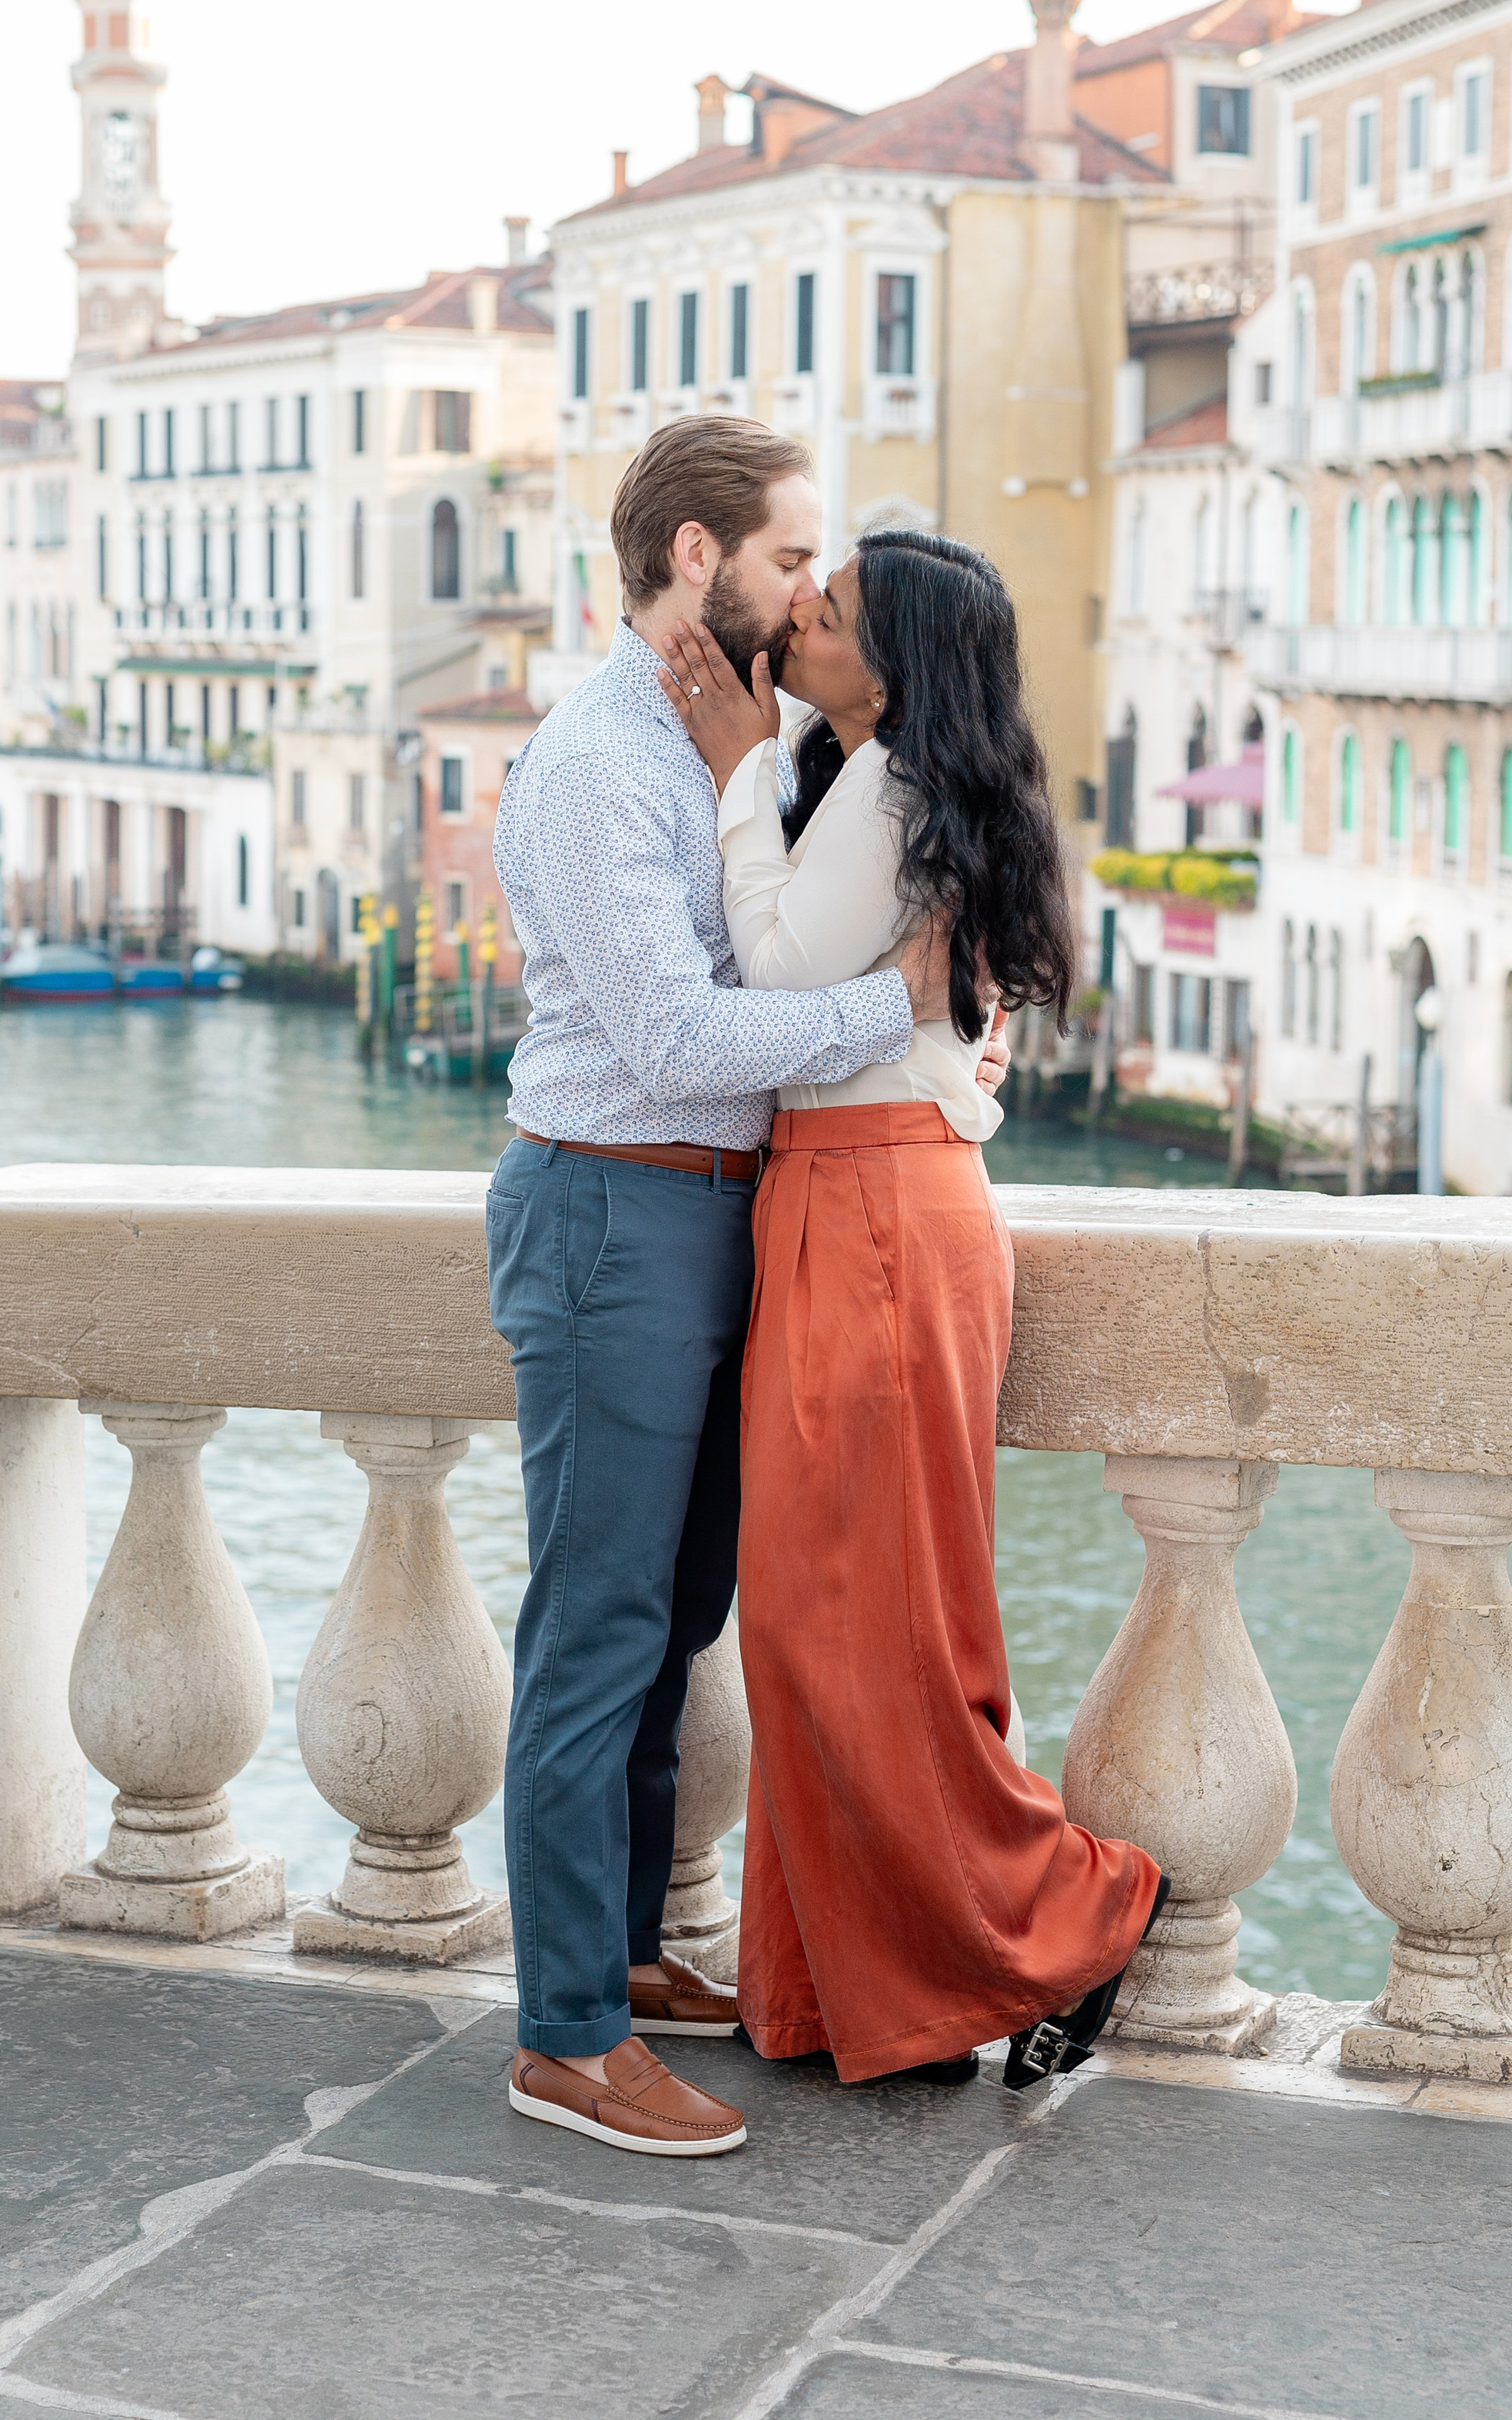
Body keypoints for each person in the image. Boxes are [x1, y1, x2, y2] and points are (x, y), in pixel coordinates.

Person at [486, 418, 1009, 2159]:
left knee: (673, 1619)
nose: (807, 598)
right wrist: (904, 1013)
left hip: (728, 1212)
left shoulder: (747, 739)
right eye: (793, 560)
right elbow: (677, 1034)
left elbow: (845, 873)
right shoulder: (589, 765)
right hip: (611, 1210)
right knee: (595, 1629)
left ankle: (623, 1952)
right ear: (699, 562)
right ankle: (561, 2034)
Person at [658, 530, 1164, 2092]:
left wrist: (741, 768)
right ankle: (865, 1983)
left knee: (855, 1627)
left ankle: (1075, 1916)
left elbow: (771, 968)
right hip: (866, 1202)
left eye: (834, 606)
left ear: (898, 666)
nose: (798, 612)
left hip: (871, 1211)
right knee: (831, 1627)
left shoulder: (876, 788)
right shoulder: (891, 788)